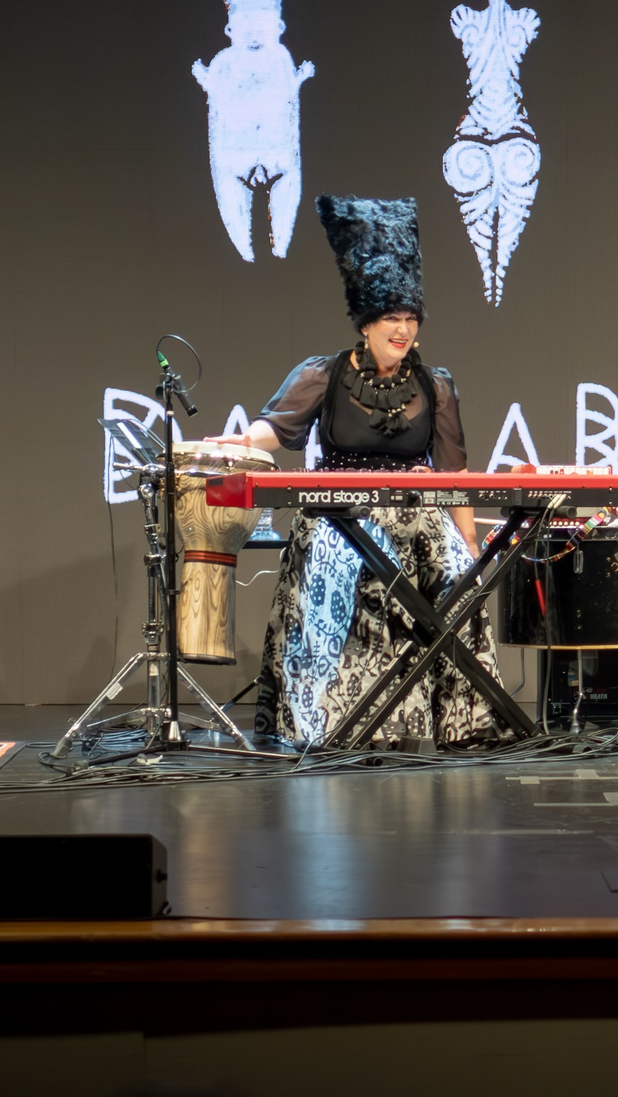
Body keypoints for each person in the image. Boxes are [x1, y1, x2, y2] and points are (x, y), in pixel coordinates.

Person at [209, 196, 499, 748]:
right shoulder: (325, 374)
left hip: (419, 516)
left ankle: (449, 724)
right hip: (341, 515)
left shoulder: (434, 384)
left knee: (458, 577)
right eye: (392, 318)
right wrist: (243, 440)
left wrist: (466, 540)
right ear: (366, 324)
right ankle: (340, 722)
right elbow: (279, 429)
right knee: (349, 572)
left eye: (411, 319)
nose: (403, 329)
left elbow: (454, 467)